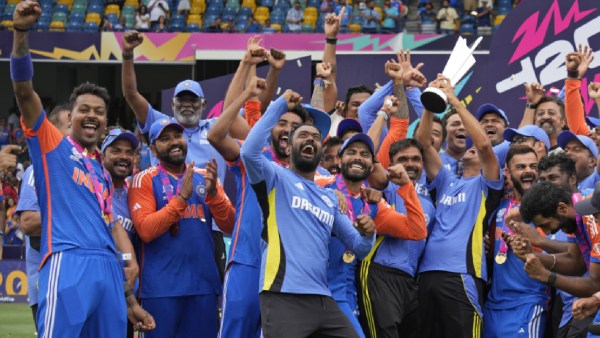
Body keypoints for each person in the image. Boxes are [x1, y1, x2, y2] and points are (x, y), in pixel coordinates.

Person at [10, 2, 154, 334]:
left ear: (105, 121)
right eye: (84, 109)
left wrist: (130, 298)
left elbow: (110, 224)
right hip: (68, 260)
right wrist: (20, 33)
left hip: (107, 270)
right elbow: (23, 90)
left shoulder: (101, 172)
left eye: (99, 111)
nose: (92, 115)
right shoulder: (52, 145)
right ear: (69, 117)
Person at [240, 90, 375, 338]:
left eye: (315, 136)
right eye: (302, 135)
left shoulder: (328, 197)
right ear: (289, 148)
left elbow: (360, 247)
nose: (310, 139)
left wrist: (369, 233)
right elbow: (248, 152)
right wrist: (279, 106)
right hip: (284, 295)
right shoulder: (275, 178)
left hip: (323, 299)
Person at [122, 30, 244, 282]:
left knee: (210, 294)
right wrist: (127, 55)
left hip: (208, 223)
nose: (187, 105)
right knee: (161, 290)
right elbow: (132, 95)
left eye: (193, 101)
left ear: (203, 103)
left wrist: (248, 65)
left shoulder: (215, 129)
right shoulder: (160, 124)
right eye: (182, 101)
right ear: (173, 105)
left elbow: (245, 113)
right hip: (165, 219)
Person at [415, 75, 503, 338]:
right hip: (427, 274)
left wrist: (454, 101)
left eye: (475, 147)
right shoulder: (446, 180)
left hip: (462, 274)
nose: (473, 147)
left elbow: (485, 145)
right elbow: (423, 143)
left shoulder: (487, 186)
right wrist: (432, 100)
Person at [128, 119, 235, 337]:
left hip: (203, 287)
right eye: (164, 139)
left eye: (177, 136)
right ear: (153, 150)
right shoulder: (143, 180)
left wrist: (214, 197)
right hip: (160, 290)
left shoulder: (205, 177)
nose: (174, 142)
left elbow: (231, 225)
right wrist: (182, 198)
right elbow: (146, 231)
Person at [329, 133, 427, 337]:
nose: (358, 157)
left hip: (342, 291)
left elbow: (417, 231)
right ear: (340, 159)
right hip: (307, 285)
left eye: (365, 154)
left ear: (371, 164)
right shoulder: (320, 183)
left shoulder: (373, 206)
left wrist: (406, 186)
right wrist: (327, 194)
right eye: (352, 152)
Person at [357, 137, 435, 338]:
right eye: (403, 159)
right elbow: (365, 153)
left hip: (410, 281)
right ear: (390, 165)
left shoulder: (430, 202)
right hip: (379, 272)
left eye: (416, 159)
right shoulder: (385, 188)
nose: (410, 164)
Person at [16, 103, 71, 331]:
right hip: (48, 284)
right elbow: (28, 223)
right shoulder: (36, 170)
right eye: (69, 125)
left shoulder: (86, 170)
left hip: (79, 279)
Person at [483, 145, 548, 338]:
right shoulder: (498, 206)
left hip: (528, 302)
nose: (528, 171)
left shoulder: (546, 208)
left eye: (533, 166)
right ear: (507, 173)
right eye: (521, 167)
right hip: (494, 304)